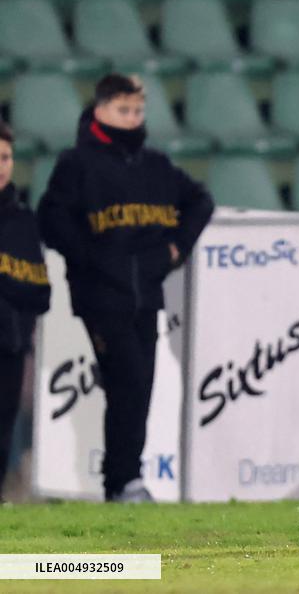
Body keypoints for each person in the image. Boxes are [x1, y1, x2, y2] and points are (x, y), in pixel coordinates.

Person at [38, 74, 214, 502]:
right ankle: (123, 481)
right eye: (123, 110)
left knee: (138, 386)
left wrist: (176, 248)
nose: (132, 118)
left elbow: (200, 200)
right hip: (100, 297)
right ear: (100, 111)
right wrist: (93, 261)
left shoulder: (154, 165)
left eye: (137, 111)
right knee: (130, 382)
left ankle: (124, 480)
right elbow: (52, 219)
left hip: (145, 296)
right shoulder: (76, 164)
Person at [0, 122, 51, 501]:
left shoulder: (23, 222)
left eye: (5, 157)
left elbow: (40, 292)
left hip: (10, 347)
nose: (1, 166)